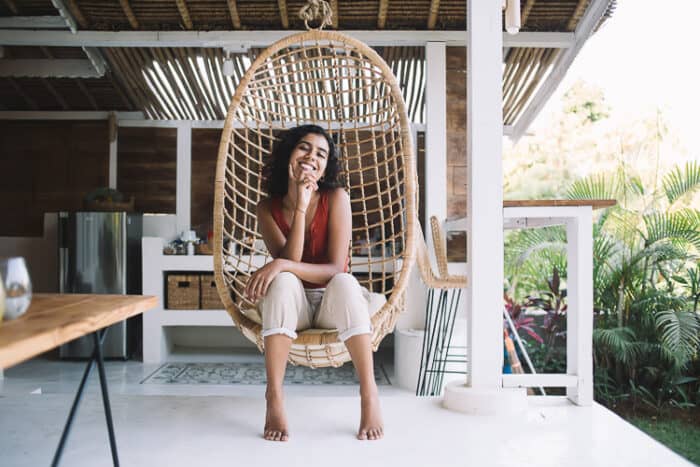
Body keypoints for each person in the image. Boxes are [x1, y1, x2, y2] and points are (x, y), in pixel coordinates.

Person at [244, 125, 383, 442]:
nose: (311, 157)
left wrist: (279, 262)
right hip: (295, 307)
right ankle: (274, 396)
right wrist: (300, 205)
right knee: (282, 283)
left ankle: (369, 393)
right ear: (289, 154)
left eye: (320, 153)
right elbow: (289, 265)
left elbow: (335, 268)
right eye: (304, 148)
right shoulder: (268, 208)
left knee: (346, 282)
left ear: (326, 166)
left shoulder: (336, 198)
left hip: (331, 303)